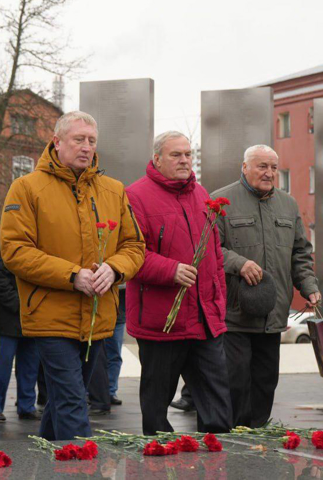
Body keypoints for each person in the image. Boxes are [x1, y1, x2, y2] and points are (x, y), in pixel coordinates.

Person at [0, 111, 145, 440]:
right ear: (57, 141)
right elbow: (15, 250)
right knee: (73, 400)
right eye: (78, 139)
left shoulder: (113, 190)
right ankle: (82, 465)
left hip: (98, 316)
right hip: (50, 314)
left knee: (64, 399)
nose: (86, 147)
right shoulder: (26, 188)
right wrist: (72, 275)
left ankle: (47, 460)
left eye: (91, 141)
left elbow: (135, 245)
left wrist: (115, 268)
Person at [126, 131, 232, 435]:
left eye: (188, 154)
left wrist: (218, 302)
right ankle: (159, 460)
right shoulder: (135, 196)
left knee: (217, 405)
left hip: (204, 318)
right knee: (157, 404)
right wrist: (170, 270)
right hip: (162, 321)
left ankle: (217, 459)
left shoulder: (202, 194)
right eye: (176, 155)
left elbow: (214, 255)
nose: (185, 160)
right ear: (157, 159)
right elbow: (131, 254)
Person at [211, 144, 320, 428]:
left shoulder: (289, 204)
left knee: (265, 381)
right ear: (244, 167)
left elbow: (300, 253)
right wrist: (238, 263)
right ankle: (232, 437)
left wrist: (309, 285)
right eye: (262, 166)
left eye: (273, 167)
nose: (269, 173)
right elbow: (208, 250)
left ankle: (257, 435)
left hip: (273, 313)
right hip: (234, 315)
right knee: (235, 380)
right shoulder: (220, 201)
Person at [0, 243, 41, 422]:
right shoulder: (6, 245)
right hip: (10, 317)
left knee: (30, 365)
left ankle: (26, 406)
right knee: (4, 364)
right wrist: (18, 304)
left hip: (32, 315)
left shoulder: (38, 243)